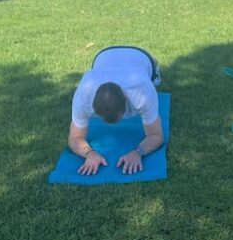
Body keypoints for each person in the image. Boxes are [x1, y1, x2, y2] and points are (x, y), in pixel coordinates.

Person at [68, 46, 164, 176]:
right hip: (103, 55)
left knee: (156, 82)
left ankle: (154, 62)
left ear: (126, 99)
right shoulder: (83, 96)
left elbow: (156, 136)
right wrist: (89, 153)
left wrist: (138, 152)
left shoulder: (143, 92)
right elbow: (75, 138)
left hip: (140, 56)